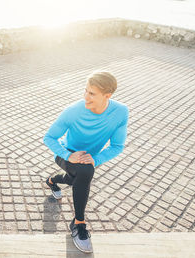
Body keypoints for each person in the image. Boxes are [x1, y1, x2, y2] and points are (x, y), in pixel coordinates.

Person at [43, 71, 128, 253]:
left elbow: (117, 146)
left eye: (92, 94)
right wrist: (68, 155)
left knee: (79, 177)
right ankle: (78, 223)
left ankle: (52, 181)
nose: (85, 97)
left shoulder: (120, 112)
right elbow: (49, 137)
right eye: (85, 91)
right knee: (85, 172)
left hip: (89, 159)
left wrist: (96, 159)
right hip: (66, 154)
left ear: (108, 96)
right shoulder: (73, 111)